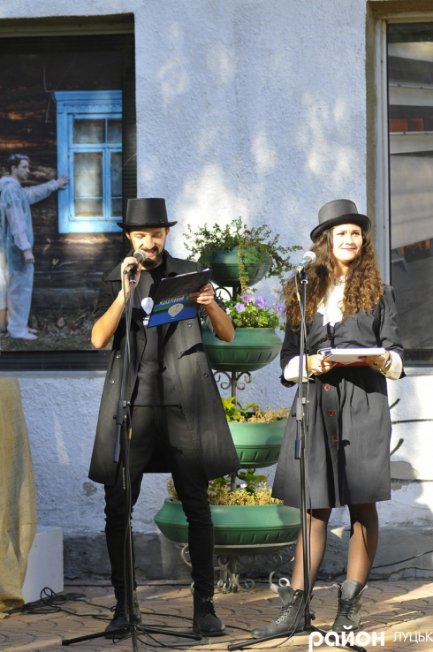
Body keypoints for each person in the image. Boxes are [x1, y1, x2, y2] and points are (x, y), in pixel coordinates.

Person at [252, 199, 404, 639]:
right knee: (313, 507)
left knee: (361, 505)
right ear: (325, 241)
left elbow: (397, 356)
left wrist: (381, 359)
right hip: (315, 402)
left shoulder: (380, 291)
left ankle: (349, 610)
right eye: (342, 233)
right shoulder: (304, 289)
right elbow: (287, 361)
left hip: (364, 402)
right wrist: (309, 364)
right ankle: (296, 610)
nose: (350, 239)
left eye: (356, 233)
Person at [88, 197, 239, 638]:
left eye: (156, 234)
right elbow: (98, 338)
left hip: (183, 404)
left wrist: (210, 304)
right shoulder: (117, 277)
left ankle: (204, 607)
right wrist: (125, 293)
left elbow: (227, 334)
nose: (149, 242)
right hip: (133, 406)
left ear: (166, 234)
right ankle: (124, 606)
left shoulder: (189, 273)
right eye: (141, 235)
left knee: (197, 506)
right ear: (129, 237)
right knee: (118, 507)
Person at [0, 154, 68, 339]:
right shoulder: (11, 191)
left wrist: (54, 184)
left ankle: (18, 325)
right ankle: (17, 330)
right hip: (16, 251)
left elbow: (32, 193)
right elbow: (16, 222)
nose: (27, 171)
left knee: (17, 289)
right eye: (24, 167)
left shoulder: (13, 189)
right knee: (19, 290)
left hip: (13, 250)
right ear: (13, 168)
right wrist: (26, 249)